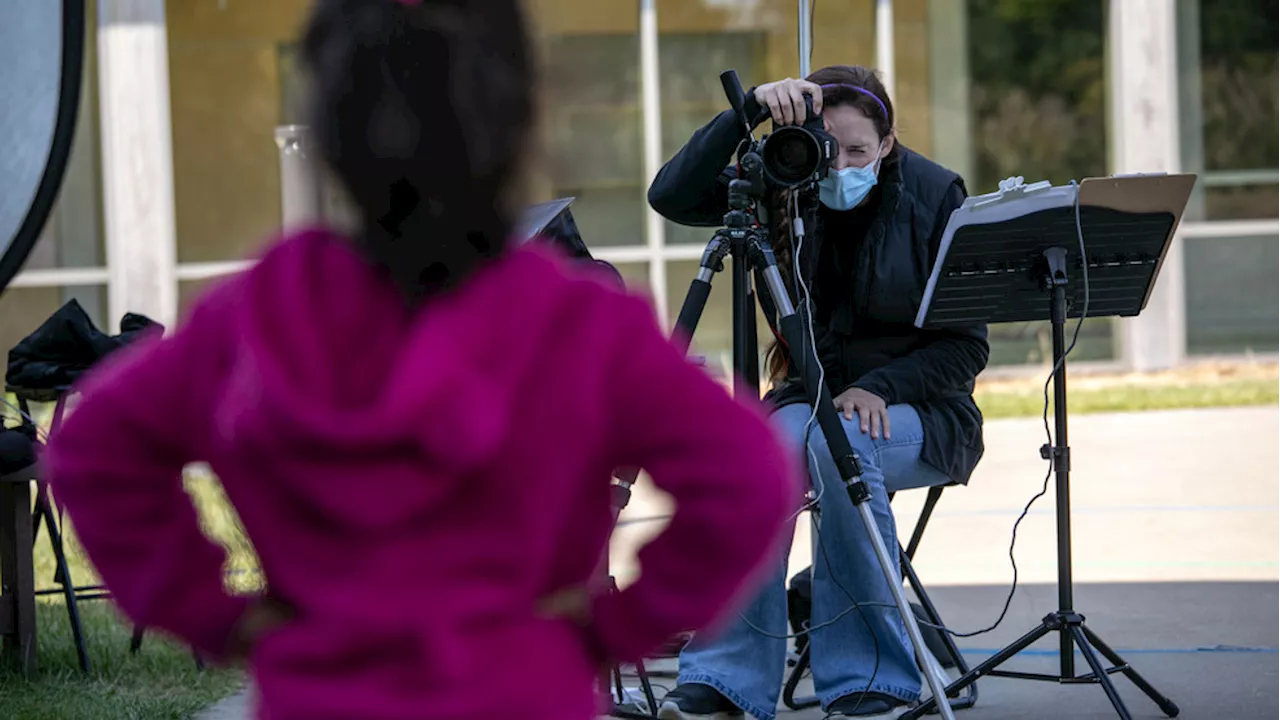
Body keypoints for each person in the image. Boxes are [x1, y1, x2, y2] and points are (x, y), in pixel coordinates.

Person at [41, 1, 801, 718]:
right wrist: (614, 627)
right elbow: (749, 476)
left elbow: (94, 450)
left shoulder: (258, 318)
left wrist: (219, 617)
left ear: (329, 133)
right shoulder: (577, 323)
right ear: (519, 123)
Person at [648, 65, 990, 719]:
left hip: (921, 411)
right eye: (827, 149)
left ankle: (870, 678)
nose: (840, 167)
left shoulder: (935, 194)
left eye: (858, 151)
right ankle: (724, 677)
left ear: (888, 144)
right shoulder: (787, 176)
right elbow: (671, 196)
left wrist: (878, 389)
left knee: (842, 448)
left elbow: (966, 347)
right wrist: (744, 114)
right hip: (809, 398)